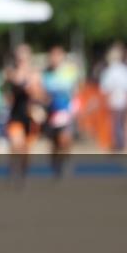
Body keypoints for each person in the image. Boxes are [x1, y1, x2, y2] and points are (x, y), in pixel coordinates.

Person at [4, 44, 42, 181]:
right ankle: (13, 169)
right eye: (19, 57)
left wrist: (32, 88)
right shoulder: (11, 72)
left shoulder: (35, 74)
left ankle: (23, 174)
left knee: (26, 149)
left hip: (29, 115)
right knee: (16, 144)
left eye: (24, 57)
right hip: (15, 114)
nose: (21, 60)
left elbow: (38, 94)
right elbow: (9, 87)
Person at [42, 45, 78, 177]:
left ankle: (66, 161)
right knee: (54, 143)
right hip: (51, 112)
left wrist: (75, 106)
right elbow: (42, 93)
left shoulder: (69, 71)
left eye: (58, 55)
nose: (55, 58)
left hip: (65, 111)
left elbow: (75, 90)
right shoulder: (46, 74)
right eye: (53, 55)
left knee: (65, 139)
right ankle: (55, 164)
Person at [99, 44, 127, 151]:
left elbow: (106, 89)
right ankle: (121, 142)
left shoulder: (109, 71)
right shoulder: (126, 70)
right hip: (124, 100)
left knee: (117, 124)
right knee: (121, 123)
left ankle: (120, 144)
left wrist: (106, 101)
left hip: (114, 101)